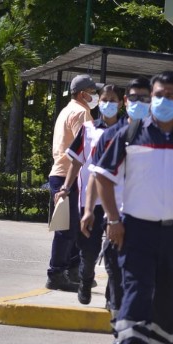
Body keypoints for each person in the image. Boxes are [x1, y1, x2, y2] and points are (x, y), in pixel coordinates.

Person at [93, 70, 173, 344]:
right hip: (136, 229)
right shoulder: (130, 133)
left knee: (169, 295)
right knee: (137, 289)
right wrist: (113, 220)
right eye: (158, 94)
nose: (161, 100)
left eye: (170, 95)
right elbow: (102, 176)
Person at [82, 76, 153, 344]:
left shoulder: (159, 138)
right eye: (133, 99)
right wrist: (89, 210)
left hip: (149, 222)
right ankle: (120, 329)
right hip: (116, 220)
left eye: (144, 99)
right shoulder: (112, 136)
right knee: (116, 276)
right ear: (127, 102)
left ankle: (136, 328)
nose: (138, 104)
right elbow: (94, 177)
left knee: (141, 281)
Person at [55, 84, 125, 306]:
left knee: (115, 253)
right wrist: (66, 188)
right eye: (104, 99)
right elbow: (76, 162)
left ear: (122, 103)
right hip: (90, 201)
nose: (107, 104)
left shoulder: (128, 131)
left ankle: (110, 296)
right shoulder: (87, 129)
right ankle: (86, 280)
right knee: (89, 250)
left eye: (113, 100)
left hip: (118, 202)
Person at [45, 74, 103, 292]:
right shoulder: (81, 112)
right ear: (82, 94)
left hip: (61, 173)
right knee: (67, 230)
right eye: (93, 92)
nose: (96, 96)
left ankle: (70, 270)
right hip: (68, 175)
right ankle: (56, 273)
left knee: (70, 228)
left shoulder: (67, 110)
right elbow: (86, 147)